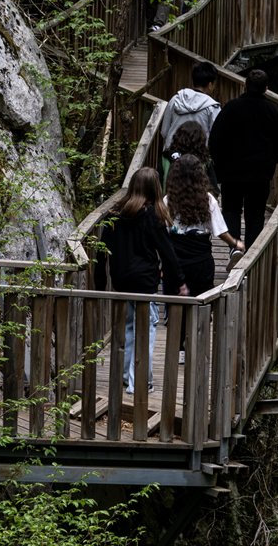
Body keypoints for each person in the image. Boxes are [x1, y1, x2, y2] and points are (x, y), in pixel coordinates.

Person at [97, 167, 181, 395]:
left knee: (130, 327)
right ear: (155, 189)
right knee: (147, 330)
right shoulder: (152, 216)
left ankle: (127, 377)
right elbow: (168, 253)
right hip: (144, 283)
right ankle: (140, 382)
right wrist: (180, 282)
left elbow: (101, 250)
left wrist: (100, 281)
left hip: (121, 280)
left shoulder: (114, 214)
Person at [208, 69, 278, 263]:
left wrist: (220, 164)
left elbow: (215, 139)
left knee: (231, 210)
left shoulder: (231, 108)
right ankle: (251, 254)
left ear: (245, 85)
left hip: (231, 172)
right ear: (266, 89)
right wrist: (271, 162)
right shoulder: (273, 112)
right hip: (260, 173)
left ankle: (235, 247)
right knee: (255, 213)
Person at [164, 153, 244, 298]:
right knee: (201, 301)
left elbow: (163, 231)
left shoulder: (167, 200)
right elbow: (220, 231)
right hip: (200, 260)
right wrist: (234, 243)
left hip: (175, 261)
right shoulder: (207, 200)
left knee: (174, 301)